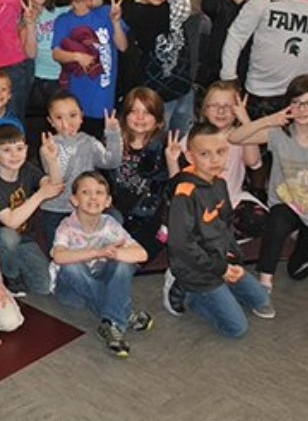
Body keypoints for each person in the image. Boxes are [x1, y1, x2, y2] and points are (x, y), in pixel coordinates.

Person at [228, 75, 308, 294]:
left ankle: (302, 237)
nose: (302, 109)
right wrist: (269, 120)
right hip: (286, 205)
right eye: (296, 103)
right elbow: (234, 138)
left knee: (297, 272)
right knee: (277, 219)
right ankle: (265, 280)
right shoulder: (279, 135)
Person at [163, 82, 266, 316]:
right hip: (200, 207)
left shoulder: (238, 135)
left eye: (228, 106)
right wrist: (172, 162)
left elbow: (253, 162)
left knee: (258, 219)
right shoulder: (195, 138)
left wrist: (245, 120)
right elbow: (179, 185)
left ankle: (218, 258)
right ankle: (195, 269)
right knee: (194, 235)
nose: (221, 111)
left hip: (230, 200)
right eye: (214, 106)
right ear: (204, 109)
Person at [167, 122, 275, 338]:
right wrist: (220, 269)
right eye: (205, 154)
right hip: (195, 269)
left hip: (219, 261)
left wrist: (234, 259)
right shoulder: (184, 194)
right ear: (190, 157)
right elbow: (182, 245)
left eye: (221, 152)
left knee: (262, 301)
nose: (215, 160)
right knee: (237, 329)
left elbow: (225, 226)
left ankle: (220, 291)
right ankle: (186, 292)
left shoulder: (220, 183)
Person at [119, 0, 213, 135]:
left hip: (182, 88)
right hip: (155, 96)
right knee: (154, 141)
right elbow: (182, 4)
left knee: (182, 139)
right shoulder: (135, 11)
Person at [52, 171, 152, 356]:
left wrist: (116, 253)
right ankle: (123, 312)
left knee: (124, 262)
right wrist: (97, 252)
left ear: (108, 201)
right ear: (74, 200)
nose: (93, 197)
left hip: (100, 277)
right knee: (72, 267)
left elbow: (142, 254)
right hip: (72, 291)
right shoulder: (67, 226)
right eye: (86, 192)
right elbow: (59, 257)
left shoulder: (110, 224)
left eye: (99, 193)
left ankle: (111, 323)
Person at [0, 123, 63, 296]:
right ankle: (10, 277)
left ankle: (17, 267)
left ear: (26, 150)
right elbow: (10, 221)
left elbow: (55, 186)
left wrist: (52, 161)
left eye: (19, 148)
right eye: (6, 150)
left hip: (25, 238)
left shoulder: (27, 170)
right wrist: (40, 195)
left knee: (43, 287)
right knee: (7, 235)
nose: (15, 155)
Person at [50, 0, 128, 139]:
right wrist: (78, 57)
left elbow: (122, 47)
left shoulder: (105, 12)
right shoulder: (64, 20)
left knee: (103, 144)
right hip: (79, 96)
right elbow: (56, 53)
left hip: (106, 95)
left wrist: (115, 22)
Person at [107, 87, 183, 262]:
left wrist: (172, 161)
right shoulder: (111, 140)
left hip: (150, 216)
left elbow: (179, 191)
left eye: (147, 112)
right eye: (134, 111)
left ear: (158, 120)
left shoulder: (166, 146)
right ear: (125, 115)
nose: (140, 117)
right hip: (114, 213)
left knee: (129, 262)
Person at [36, 91, 122, 247]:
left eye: (72, 115)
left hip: (87, 206)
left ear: (81, 116)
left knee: (115, 219)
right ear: (51, 121)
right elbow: (60, 180)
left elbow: (111, 162)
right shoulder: (49, 146)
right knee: (61, 250)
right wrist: (68, 145)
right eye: (59, 117)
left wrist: (113, 134)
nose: (66, 123)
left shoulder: (88, 141)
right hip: (57, 209)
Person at [18, 0, 68, 155]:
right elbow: (30, 53)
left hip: (60, 79)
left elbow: (85, 7)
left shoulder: (61, 11)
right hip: (36, 80)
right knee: (35, 134)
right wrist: (29, 24)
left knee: (62, 132)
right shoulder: (20, 16)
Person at [197, 0, 261, 88]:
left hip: (247, 69)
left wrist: (241, 2)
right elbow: (208, 6)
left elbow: (259, 27)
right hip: (216, 67)